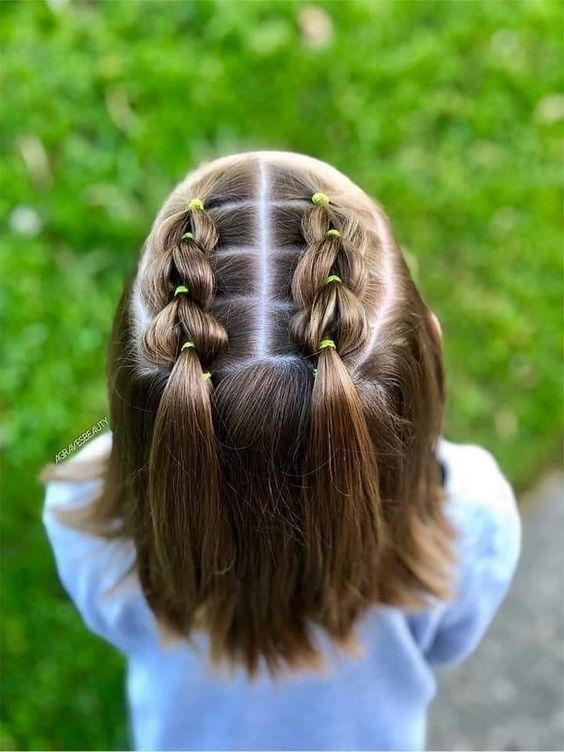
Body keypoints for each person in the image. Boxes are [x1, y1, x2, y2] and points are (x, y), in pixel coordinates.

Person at [42, 151, 521, 751]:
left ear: (126, 376)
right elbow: (450, 643)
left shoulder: (86, 520)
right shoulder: (473, 521)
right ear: (431, 342)